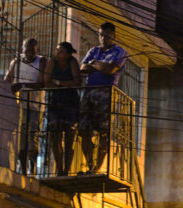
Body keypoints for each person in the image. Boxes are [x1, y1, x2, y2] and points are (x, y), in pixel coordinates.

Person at [79, 22, 127, 173]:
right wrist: (101, 66)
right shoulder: (94, 50)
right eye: (100, 35)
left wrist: (94, 65)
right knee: (84, 130)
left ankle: (97, 167)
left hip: (107, 92)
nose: (103, 38)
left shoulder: (119, 51)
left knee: (103, 131)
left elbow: (111, 69)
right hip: (89, 92)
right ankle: (90, 164)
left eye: (106, 35)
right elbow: (83, 68)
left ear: (113, 36)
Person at [4, 38, 46, 175]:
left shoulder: (41, 61)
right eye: (26, 51)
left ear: (37, 51)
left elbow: (42, 83)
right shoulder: (16, 62)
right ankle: (22, 169)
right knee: (21, 137)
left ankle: (32, 168)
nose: (29, 55)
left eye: (32, 52)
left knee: (33, 136)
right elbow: (8, 79)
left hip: (36, 105)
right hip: (20, 104)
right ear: (22, 49)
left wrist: (22, 85)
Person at [44, 42, 81, 176]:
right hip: (55, 101)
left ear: (67, 54)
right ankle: (59, 169)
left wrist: (59, 83)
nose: (57, 53)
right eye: (57, 50)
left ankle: (66, 169)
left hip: (70, 101)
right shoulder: (52, 62)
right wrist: (65, 85)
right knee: (55, 135)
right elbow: (47, 82)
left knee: (69, 136)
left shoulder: (72, 62)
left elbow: (77, 82)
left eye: (60, 51)